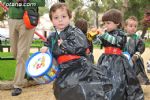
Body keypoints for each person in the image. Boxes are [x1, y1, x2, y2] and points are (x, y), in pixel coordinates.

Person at [40, 3, 112, 100]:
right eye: (56, 18)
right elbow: (49, 48)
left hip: (77, 67)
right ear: (52, 21)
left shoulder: (75, 31)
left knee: (81, 90)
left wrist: (64, 44)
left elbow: (81, 46)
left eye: (63, 16)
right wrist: (45, 49)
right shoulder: (52, 36)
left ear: (70, 18)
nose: (60, 20)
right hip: (62, 69)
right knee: (62, 91)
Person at [95, 9, 144, 100]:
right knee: (103, 78)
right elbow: (98, 43)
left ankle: (115, 96)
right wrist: (94, 37)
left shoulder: (121, 34)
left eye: (108, 23)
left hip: (116, 60)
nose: (105, 25)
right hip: (105, 59)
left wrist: (104, 35)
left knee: (117, 80)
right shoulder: (106, 33)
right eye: (105, 23)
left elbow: (116, 41)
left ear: (117, 23)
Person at [1, 0, 45, 96]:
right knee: (15, 53)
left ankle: (17, 85)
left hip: (27, 20)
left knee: (21, 54)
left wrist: (26, 1)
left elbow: (42, 2)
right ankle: (32, 70)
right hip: (12, 20)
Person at [124, 16, 150, 85]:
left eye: (135, 26)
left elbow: (141, 48)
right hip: (124, 58)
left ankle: (135, 85)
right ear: (125, 27)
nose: (133, 28)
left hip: (135, 59)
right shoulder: (122, 37)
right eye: (131, 26)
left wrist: (135, 56)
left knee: (135, 73)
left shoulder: (138, 39)